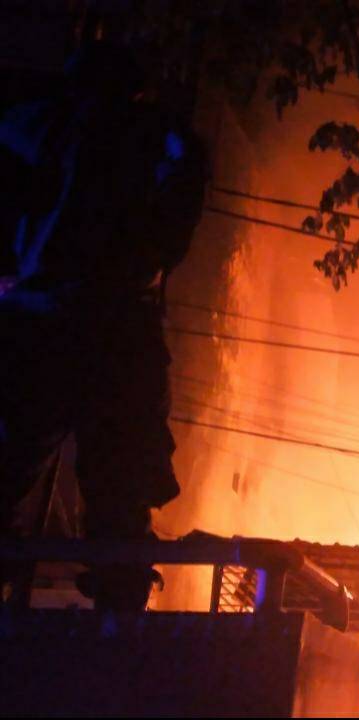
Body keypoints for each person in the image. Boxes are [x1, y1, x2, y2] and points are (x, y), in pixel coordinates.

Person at [0, 41, 206, 611]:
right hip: (117, 333)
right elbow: (175, 224)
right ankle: (118, 627)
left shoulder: (44, 124)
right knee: (119, 496)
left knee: (12, 455)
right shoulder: (162, 142)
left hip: (42, 323)